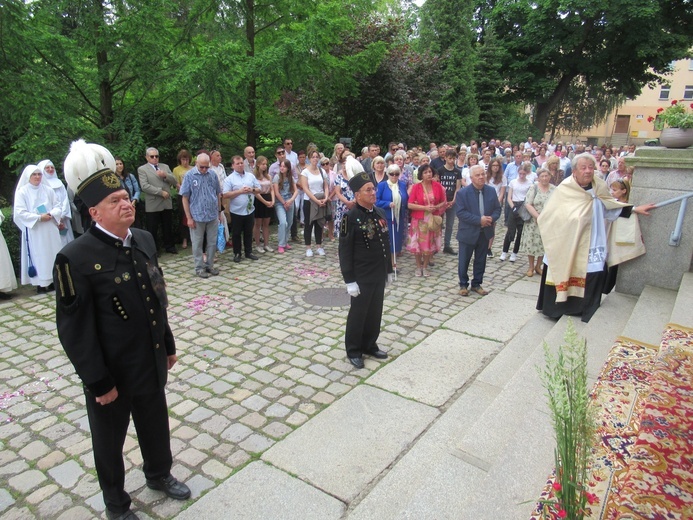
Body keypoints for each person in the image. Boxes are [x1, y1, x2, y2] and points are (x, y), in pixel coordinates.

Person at [55, 139, 190, 520]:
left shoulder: (144, 240)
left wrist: (167, 343)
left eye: (124, 197)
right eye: (114, 201)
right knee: (109, 443)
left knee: (154, 422)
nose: (125, 203)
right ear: (94, 212)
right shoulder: (75, 258)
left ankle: (159, 474)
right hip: (112, 372)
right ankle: (116, 504)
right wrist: (98, 382)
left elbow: (155, 298)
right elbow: (74, 331)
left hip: (148, 360)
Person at [537, 153, 656, 322]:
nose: (588, 171)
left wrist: (634, 209)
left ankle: (584, 308)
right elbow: (550, 216)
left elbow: (609, 206)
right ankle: (556, 309)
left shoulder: (599, 186)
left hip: (592, 239)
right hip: (567, 241)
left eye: (591, 167)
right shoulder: (565, 189)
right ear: (575, 171)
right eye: (583, 167)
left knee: (592, 269)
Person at [338, 172, 393, 369]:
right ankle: (354, 349)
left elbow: (385, 242)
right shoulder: (350, 217)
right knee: (359, 313)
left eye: (373, 189)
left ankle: (370, 344)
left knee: (375, 311)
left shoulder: (379, 212)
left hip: (378, 272)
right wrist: (349, 280)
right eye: (368, 190)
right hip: (361, 275)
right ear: (357, 194)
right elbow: (344, 251)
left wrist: (388, 270)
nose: (373, 193)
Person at [13, 164, 64, 293]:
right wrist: (39, 217)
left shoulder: (48, 190)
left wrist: (52, 214)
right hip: (35, 229)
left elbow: (58, 206)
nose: (37, 177)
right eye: (34, 175)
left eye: (39, 174)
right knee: (39, 255)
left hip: (50, 227)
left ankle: (54, 281)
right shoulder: (22, 192)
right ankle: (41, 283)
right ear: (28, 177)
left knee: (53, 252)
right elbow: (20, 212)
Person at [455, 165, 502, 296]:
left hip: (485, 232)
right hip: (468, 232)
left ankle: (477, 284)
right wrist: (478, 220)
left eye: (483, 174)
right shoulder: (463, 193)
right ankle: (463, 284)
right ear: (471, 178)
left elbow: (497, 209)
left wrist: (491, 219)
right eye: (477, 175)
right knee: (464, 260)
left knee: (481, 260)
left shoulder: (491, 191)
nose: (481, 177)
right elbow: (461, 213)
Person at [179, 153, 222, 278]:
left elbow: (218, 194)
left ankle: (209, 265)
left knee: (212, 242)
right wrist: (189, 218)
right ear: (196, 163)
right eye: (201, 167)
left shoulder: (213, 174)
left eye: (206, 167)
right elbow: (185, 198)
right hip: (197, 215)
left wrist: (219, 212)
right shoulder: (189, 176)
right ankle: (199, 268)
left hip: (212, 214)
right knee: (197, 243)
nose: (204, 169)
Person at [406, 163, 447, 277]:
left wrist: (437, 207)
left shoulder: (437, 186)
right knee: (418, 245)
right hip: (419, 220)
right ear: (421, 175)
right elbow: (409, 204)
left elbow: (444, 201)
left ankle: (425, 266)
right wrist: (425, 208)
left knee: (430, 243)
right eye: (425, 172)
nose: (428, 174)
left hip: (432, 220)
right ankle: (418, 266)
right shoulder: (416, 187)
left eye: (430, 172)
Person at [137, 147, 178, 254]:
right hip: (153, 202)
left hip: (166, 202)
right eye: (152, 156)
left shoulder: (165, 166)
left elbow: (174, 181)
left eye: (156, 156)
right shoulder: (142, 169)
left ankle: (169, 246)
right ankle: (154, 249)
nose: (155, 158)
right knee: (153, 228)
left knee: (167, 226)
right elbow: (145, 186)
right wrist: (160, 192)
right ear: (147, 157)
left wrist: (165, 175)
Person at [223, 156, 261, 263]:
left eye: (241, 163)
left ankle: (248, 252)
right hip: (236, 211)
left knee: (248, 232)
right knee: (236, 233)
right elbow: (225, 194)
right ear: (233, 165)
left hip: (249, 210)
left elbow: (259, 189)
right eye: (237, 163)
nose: (240, 165)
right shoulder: (229, 179)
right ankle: (237, 253)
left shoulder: (250, 176)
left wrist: (252, 189)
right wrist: (239, 191)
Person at [520, 168, 555, 277]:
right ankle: (530, 266)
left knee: (543, 244)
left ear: (550, 177)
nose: (544, 178)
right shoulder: (533, 188)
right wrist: (538, 216)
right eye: (542, 176)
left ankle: (538, 266)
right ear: (538, 178)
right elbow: (528, 204)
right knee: (532, 243)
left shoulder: (554, 189)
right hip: (533, 220)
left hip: (547, 221)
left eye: (546, 176)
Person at [500, 162, 533, 263]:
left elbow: (529, 197)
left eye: (524, 174)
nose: (522, 176)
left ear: (526, 173)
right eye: (520, 173)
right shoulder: (513, 182)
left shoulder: (530, 184)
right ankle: (504, 251)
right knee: (510, 230)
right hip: (514, 205)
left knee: (520, 231)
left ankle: (515, 253)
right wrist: (513, 207)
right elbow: (509, 197)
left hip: (524, 206)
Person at [375, 164, 409, 260]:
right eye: (391, 174)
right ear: (387, 174)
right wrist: (388, 204)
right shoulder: (382, 185)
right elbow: (376, 201)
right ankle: (388, 262)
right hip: (387, 217)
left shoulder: (402, 184)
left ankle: (393, 261)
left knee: (397, 239)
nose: (394, 176)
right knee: (389, 239)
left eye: (396, 174)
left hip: (399, 217)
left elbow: (406, 198)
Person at [38, 159, 74, 246]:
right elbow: (40, 204)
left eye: (52, 167)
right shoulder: (39, 186)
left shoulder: (59, 183)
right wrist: (54, 217)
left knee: (66, 240)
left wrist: (61, 216)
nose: (50, 169)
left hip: (62, 218)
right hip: (49, 220)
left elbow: (65, 200)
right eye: (47, 168)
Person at [301, 150, 330, 257]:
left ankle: (319, 246)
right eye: (313, 157)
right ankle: (308, 247)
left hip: (321, 199)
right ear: (309, 158)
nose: (315, 159)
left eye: (316, 157)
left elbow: (326, 186)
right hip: (309, 201)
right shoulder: (305, 172)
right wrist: (316, 200)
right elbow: (305, 188)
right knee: (309, 224)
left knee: (319, 224)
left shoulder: (322, 171)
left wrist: (326, 198)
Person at [437, 149, 463, 255]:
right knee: (438, 223)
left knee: (450, 224)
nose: (451, 160)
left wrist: (453, 200)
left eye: (453, 158)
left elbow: (458, 187)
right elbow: (438, 186)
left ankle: (447, 245)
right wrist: (443, 201)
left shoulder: (457, 172)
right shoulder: (440, 170)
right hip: (441, 201)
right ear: (446, 158)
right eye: (449, 158)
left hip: (452, 200)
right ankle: (436, 245)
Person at [273, 159, 297, 253]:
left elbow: (296, 191)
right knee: (283, 222)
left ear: (288, 168)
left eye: (284, 166)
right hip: (280, 203)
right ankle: (281, 244)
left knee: (289, 222)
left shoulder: (291, 178)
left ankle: (285, 241)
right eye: (281, 166)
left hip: (290, 202)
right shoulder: (276, 177)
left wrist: (290, 201)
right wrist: (284, 203)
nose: (282, 168)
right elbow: (276, 192)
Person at [253, 156, 275, 252]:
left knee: (266, 223)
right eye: (263, 164)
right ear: (258, 164)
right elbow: (256, 193)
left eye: (266, 164)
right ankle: (258, 244)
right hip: (259, 200)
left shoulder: (268, 176)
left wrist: (272, 200)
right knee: (258, 223)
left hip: (268, 197)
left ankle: (266, 244)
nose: (265, 166)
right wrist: (264, 202)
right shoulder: (254, 177)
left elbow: (272, 189)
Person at [172, 150, 192, 249]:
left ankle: (193, 237)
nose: (185, 162)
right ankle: (184, 238)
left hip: (193, 196)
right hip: (182, 195)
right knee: (183, 216)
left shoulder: (193, 169)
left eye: (187, 159)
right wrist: (182, 188)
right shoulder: (176, 170)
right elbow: (176, 183)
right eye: (183, 159)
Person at [115, 157, 143, 229]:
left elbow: (137, 190)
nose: (119, 166)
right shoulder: (113, 179)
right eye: (117, 164)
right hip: (121, 206)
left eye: (121, 164)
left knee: (137, 225)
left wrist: (134, 200)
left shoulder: (130, 176)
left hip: (132, 204)